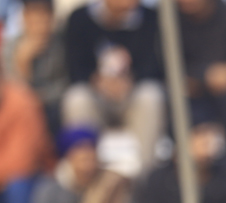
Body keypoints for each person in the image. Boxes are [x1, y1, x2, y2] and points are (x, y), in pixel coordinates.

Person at [62, 0, 165, 172]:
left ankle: (146, 175)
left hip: (133, 93)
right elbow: (74, 67)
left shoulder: (151, 18)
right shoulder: (80, 18)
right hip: (96, 94)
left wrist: (129, 81)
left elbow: (155, 65)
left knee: (151, 95)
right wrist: (98, 81)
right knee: (77, 98)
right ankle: (86, 174)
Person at [178, 0, 226, 159]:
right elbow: (168, 65)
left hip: (225, 92)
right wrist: (205, 75)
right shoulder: (173, 20)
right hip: (190, 93)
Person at [3, 0, 67, 140]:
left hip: (52, 108)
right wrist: (22, 63)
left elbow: (63, 85)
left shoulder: (59, 46)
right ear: (25, 18)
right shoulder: (10, 47)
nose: (40, 27)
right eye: (35, 21)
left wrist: (39, 97)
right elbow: (10, 89)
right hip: (22, 109)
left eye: (45, 21)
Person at [0, 64, 54, 203]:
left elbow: (23, 161)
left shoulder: (23, 101)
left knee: (17, 187)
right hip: (5, 174)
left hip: (33, 175)